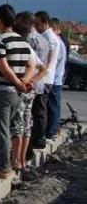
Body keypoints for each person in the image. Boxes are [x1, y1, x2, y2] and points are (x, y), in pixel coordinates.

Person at [0, 4, 33, 179]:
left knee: (0, 130)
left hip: (1, 91)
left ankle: (2, 168)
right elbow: (30, 66)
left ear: (0, 20)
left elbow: (3, 67)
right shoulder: (22, 41)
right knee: (8, 129)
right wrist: (23, 82)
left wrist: (18, 83)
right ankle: (2, 163)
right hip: (15, 93)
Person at [11, 12, 48, 177]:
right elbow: (43, 68)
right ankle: (22, 160)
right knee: (26, 125)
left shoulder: (23, 43)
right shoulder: (42, 39)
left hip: (20, 89)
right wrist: (32, 81)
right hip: (31, 90)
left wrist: (24, 81)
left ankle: (16, 160)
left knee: (18, 126)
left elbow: (31, 66)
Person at [33, 11, 62, 142]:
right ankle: (40, 137)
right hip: (46, 77)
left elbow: (46, 61)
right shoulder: (51, 37)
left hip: (43, 79)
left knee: (39, 110)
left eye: (37, 23)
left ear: (45, 22)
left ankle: (39, 138)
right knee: (41, 109)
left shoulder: (47, 38)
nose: (35, 26)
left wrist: (36, 78)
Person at [25, 12, 51, 149]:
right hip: (40, 80)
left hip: (30, 80)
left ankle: (32, 143)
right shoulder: (43, 39)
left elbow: (30, 61)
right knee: (39, 113)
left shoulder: (30, 39)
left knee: (28, 116)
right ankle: (39, 139)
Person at [49, 18, 68, 139]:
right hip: (56, 79)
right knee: (53, 106)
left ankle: (52, 131)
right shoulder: (60, 42)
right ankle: (53, 129)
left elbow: (53, 63)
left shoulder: (58, 43)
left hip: (54, 80)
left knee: (53, 107)